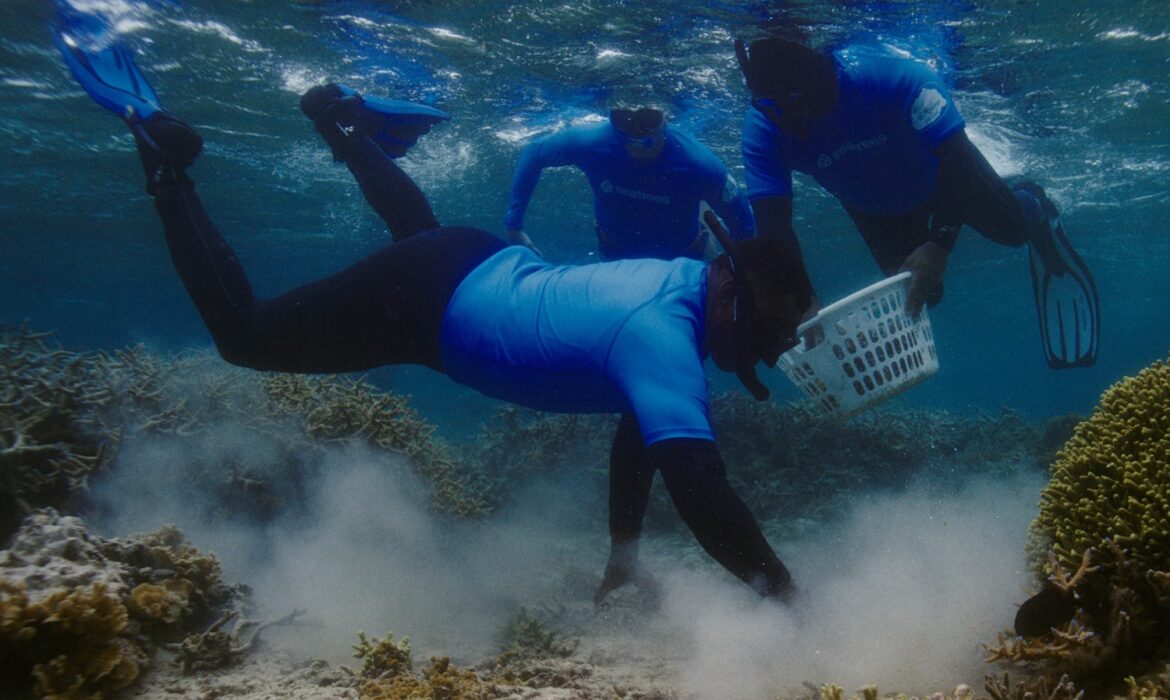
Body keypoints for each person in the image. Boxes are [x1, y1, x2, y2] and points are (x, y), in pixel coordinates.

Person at [55, 32, 812, 605]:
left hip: (468, 260)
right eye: (759, 331)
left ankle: (342, 125)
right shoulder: (664, 338)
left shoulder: (681, 278)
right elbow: (699, 484)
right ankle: (165, 161)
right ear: (728, 287)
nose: (756, 350)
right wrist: (784, 596)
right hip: (426, 306)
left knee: (417, 236)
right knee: (246, 339)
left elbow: (640, 434)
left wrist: (623, 556)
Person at [733, 37, 1099, 368]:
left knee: (1016, 232)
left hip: (944, 176)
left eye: (791, 104)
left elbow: (956, 158)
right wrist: (803, 301)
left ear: (816, 81)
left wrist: (939, 245)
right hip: (875, 208)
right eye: (769, 106)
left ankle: (1033, 204)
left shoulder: (890, 77)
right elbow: (773, 223)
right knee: (924, 294)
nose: (785, 119)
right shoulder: (765, 129)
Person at [503, 107, 756, 261]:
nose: (636, 142)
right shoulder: (594, 143)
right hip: (617, 253)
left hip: (685, 257)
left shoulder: (699, 163)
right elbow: (534, 153)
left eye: (646, 123)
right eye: (624, 121)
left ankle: (701, 213)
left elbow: (744, 225)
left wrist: (740, 273)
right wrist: (513, 226)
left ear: (664, 119)